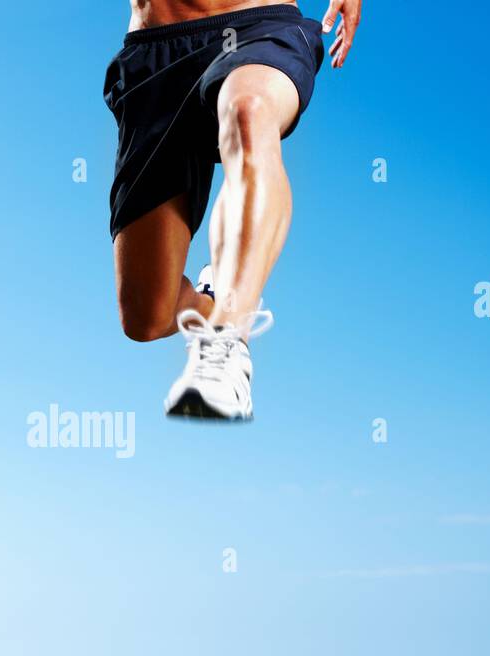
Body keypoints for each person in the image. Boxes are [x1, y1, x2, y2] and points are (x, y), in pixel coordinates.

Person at [105, 0, 361, 419]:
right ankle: (211, 303)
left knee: (249, 110)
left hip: (256, 24)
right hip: (154, 50)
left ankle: (227, 333)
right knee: (146, 314)